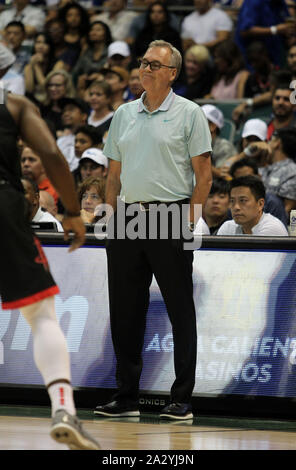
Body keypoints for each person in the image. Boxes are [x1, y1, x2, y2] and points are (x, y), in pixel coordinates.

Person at [94, 40, 212, 420]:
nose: (146, 68)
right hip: (127, 217)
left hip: (172, 214)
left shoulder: (189, 113)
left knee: (180, 309)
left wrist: (191, 220)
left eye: (155, 65)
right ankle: (126, 396)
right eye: (143, 63)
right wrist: (111, 217)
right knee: (125, 311)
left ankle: (181, 399)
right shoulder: (124, 113)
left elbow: (204, 175)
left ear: (173, 72)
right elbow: (113, 174)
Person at [0, 43, 100, 449]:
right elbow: (51, 154)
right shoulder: (15, 105)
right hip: (3, 203)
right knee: (41, 315)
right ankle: (64, 409)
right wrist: (72, 212)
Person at [217, 176, 288, 235]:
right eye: (232, 201)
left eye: (243, 201)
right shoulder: (227, 227)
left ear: (260, 204)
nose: (236, 207)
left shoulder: (272, 228)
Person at [229, 157, 288, 226]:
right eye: (240, 180)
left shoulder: (272, 202)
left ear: (259, 177)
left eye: (248, 178)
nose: (244, 183)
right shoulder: (232, 203)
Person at [235, 0, 295, 68]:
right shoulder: (253, 2)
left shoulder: (280, 3)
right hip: (250, 59)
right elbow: (244, 30)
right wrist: (274, 30)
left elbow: (285, 25)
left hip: (273, 57)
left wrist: (289, 37)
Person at [24, 32, 65, 105]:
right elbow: (29, 89)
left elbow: (47, 87)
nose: (40, 46)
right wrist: (30, 66)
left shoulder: (58, 64)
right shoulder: (29, 65)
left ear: (50, 46)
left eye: (45, 43)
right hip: (33, 101)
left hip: (51, 100)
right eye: (38, 42)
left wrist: (36, 66)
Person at [71, 21, 112, 86]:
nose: (93, 33)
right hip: (86, 86)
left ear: (106, 34)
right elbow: (75, 72)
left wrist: (101, 76)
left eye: (98, 30)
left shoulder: (111, 51)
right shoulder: (86, 52)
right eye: (92, 30)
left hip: (105, 85)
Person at [56, 97, 90, 171]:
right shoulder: (61, 141)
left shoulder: (92, 137)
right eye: (64, 111)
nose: (66, 114)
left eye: (71, 110)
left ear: (84, 116)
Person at [201, 104, 236, 172]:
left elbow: (221, 174)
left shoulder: (224, 147)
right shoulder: (190, 142)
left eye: (198, 121)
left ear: (212, 126)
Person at [40, 69, 76, 134]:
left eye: (57, 85)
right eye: (50, 85)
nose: (52, 88)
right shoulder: (42, 107)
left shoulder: (75, 108)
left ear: (67, 87)